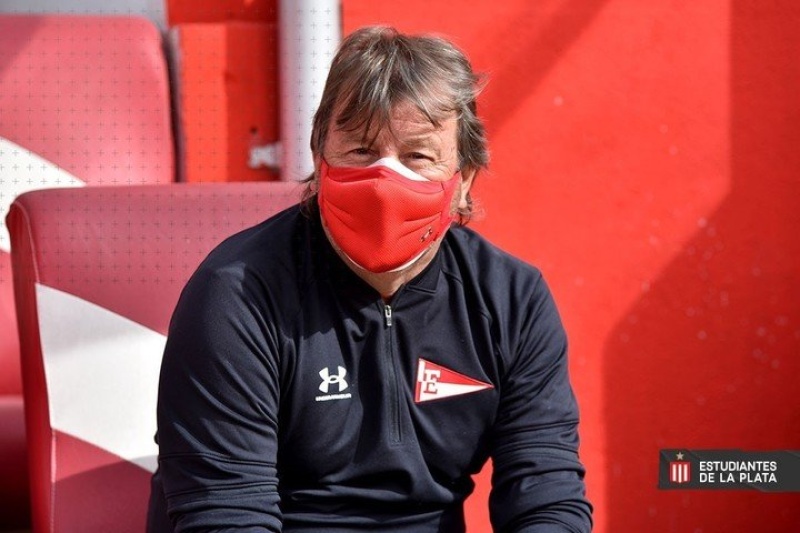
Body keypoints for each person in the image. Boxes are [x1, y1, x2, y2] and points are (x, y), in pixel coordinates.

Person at [148, 25, 592, 533]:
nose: (385, 181)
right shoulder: (237, 293)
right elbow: (225, 515)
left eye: (418, 156)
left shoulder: (512, 299)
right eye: (360, 149)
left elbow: (547, 496)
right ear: (319, 157)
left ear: (463, 179)